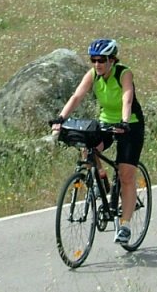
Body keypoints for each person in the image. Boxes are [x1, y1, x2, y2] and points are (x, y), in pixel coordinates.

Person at [51, 38, 145, 244]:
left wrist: (125, 121)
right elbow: (77, 96)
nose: (96, 64)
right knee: (87, 147)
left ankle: (126, 225)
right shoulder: (93, 74)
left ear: (112, 60)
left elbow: (126, 98)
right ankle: (100, 179)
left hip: (130, 125)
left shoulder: (124, 73)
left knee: (126, 174)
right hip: (106, 122)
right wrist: (61, 118)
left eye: (101, 60)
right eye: (93, 60)